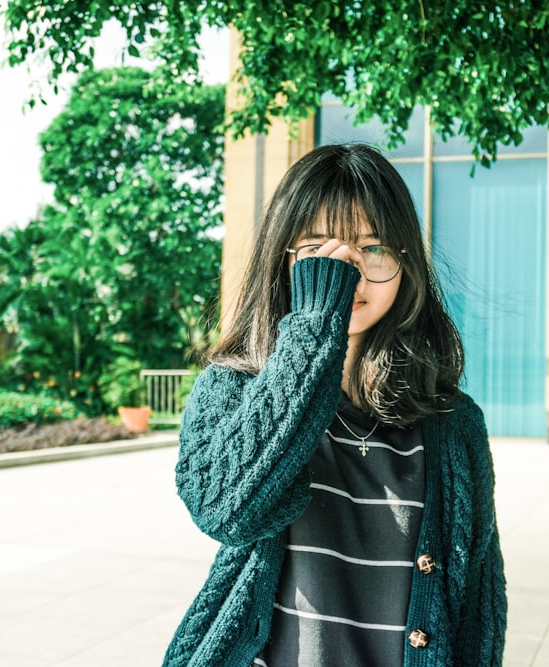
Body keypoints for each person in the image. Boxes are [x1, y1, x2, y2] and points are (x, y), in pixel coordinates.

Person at [162, 143, 507, 667]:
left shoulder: (453, 423)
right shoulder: (233, 387)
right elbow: (225, 510)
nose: (353, 271)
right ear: (283, 260)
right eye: (320, 251)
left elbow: (477, 607)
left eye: (374, 249)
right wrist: (316, 325)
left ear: (405, 263)